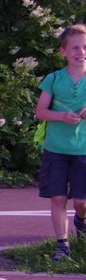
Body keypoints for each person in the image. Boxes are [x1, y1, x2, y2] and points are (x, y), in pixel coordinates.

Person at [34, 23, 86, 261]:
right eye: (75, 47)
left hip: (83, 150)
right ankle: (62, 246)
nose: (81, 52)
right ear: (63, 51)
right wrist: (62, 116)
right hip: (56, 149)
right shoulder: (53, 79)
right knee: (58, 198)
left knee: (81, 201)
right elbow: (40, 112)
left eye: (84, 47)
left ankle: (81, 220)